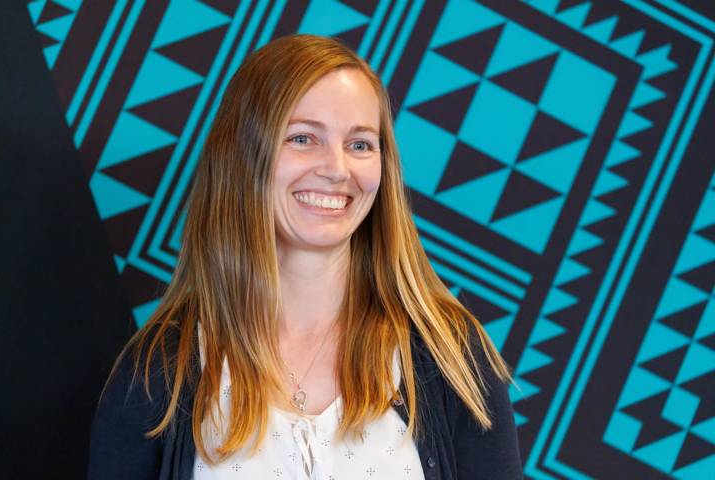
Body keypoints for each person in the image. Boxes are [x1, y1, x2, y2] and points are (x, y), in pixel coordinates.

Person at [86, 33, 523, 480]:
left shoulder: (449, 356)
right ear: (243, 154)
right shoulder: (159, 371)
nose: (336, 168)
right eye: (302, 138)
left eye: (360, 144)